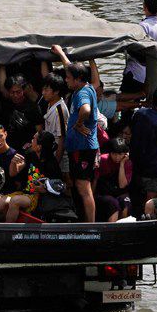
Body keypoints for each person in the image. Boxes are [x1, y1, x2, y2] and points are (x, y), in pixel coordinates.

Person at [52, 45, 99, 222]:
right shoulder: (85, 86)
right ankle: (84, 220)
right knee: (78, 186)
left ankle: (91, 225)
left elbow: (85, 110)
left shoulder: (82, 94)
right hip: (79, 148)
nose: (65, 80)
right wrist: (61, 54)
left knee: (83, 187)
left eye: (68, 78)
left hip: (83, 148)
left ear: (78, 79)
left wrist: (79, 123)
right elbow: (70, 68)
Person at [0, 131, 61, 222]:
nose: (31, 141)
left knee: (15, 201)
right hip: (26, 193)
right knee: (1, 203)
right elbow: (13, 173)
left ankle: (9, 232)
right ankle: (3, 226)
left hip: (38, 197)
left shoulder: (51, 163)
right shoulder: (31, 156)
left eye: (34, 139)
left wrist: (43, 188)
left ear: (39, 147)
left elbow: (58, 187)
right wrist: (13, 162)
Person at [121, 0, 157, 99]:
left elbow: (139, 50)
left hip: (137, 73)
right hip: (151, 72)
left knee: (127, 102)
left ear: (145, 6)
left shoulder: (143, 26)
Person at [0, 68, 42, 150]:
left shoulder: (33, 107)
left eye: (18, 92)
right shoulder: (6, 106)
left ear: (23, 91)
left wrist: (32, 144)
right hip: (9, 148)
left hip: (27, 149)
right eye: (12, 92)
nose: (15, 95)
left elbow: (39, 131)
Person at [95, 138, 132, 222]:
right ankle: (112, 231)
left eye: (120, 154)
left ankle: (124, 229)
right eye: (114, 154)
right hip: (104, 193)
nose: (117, 157)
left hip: (119, 192)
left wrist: (122, 165)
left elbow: (122, 185)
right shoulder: (102, 160)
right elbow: (95, 179)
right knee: (113, 203)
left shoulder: (128, 163)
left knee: (126, 201)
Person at [41, 72, 69, 176]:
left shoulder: (59, 110)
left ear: (56, 91)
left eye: (46, 90)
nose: (43, 93)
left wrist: (55, 163)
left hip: (59, 156)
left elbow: (62, 138)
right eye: (43, 89)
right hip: (51, 153)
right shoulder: (50, 105)